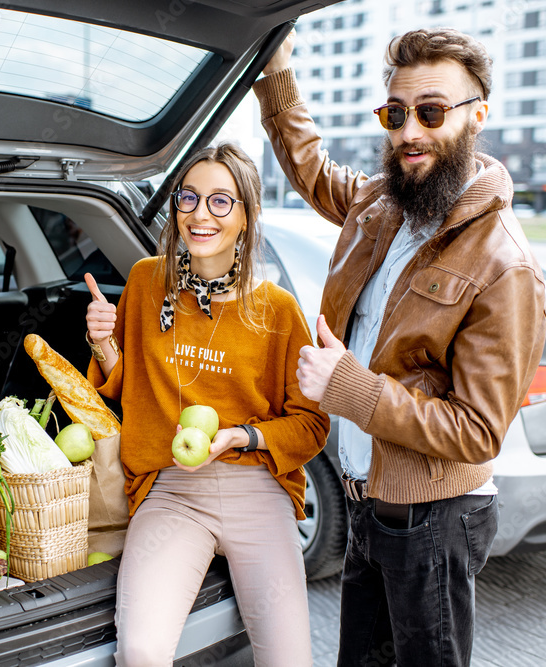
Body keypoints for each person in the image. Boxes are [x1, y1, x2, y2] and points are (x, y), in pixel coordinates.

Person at [253, 27, 546, 666]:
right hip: (367, 503)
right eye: (396, 113)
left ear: (478, 116)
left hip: (435, 521)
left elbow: (476, 431)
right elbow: (309, 167)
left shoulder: (504, 264)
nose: (409, 131)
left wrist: (350, 389)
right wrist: (276, 72)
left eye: (432, 112)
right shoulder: (382, 203)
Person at [83, 142, 329, 666]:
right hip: (172, 489)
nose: (200, 214)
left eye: (221, 201)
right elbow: (127, 387)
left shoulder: (276, 310)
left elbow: (310, 425)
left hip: (257, 488)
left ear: (247, 215)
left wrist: (243, 436)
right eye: (189, 198)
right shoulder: (147, 282)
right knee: (141, 651)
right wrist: (104, 344)